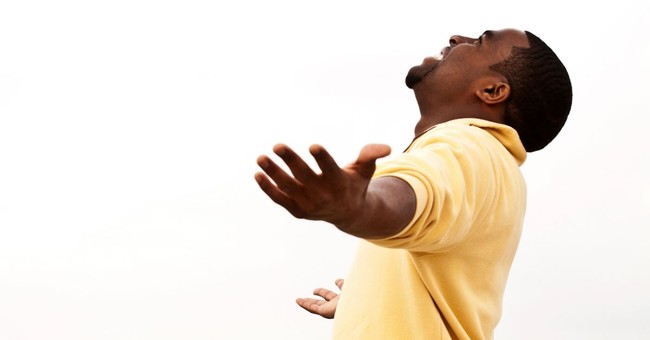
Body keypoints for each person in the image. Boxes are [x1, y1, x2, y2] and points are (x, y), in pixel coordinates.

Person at [254, 28, 572, 339]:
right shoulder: (492, 166)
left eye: (480, 42)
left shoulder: (471, 145)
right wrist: (366, 300)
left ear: (491, 91)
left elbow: (415, 196)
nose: (456, 38)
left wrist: (357, 207)